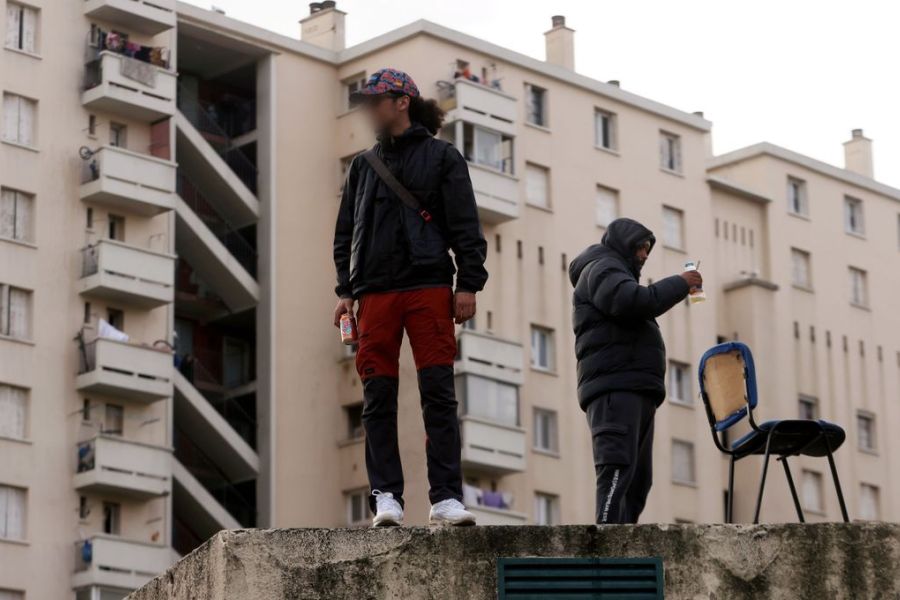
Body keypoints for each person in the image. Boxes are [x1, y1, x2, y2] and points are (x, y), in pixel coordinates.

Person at [332, 68, 488, 527]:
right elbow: (345, 234)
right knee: (377, 397)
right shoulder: (362, 166)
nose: (368, 109)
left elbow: (466, 225)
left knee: (438, 394)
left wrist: (469, 285)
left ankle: (445, 499)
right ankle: (387, 499)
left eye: (375, 100)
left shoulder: (443, 157)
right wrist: (345, 290)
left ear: (402, 102)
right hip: (374, 293)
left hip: (429, 287)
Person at [568, 218, 703, 524]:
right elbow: (634, 301)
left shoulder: (613, 272)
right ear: (624, 243)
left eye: (647, 249)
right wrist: (682, 282)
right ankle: (607, 552)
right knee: (616, 470)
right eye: (640, 247)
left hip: (633, 388)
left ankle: (624, 550)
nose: (644, 255)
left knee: (638, 481)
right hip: (616, 390)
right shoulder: (602, 269)